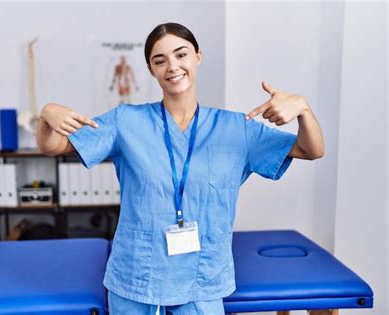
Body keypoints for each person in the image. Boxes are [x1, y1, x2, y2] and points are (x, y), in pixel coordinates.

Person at [37, 22, 324, 315]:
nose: (172, 66)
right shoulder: (126, 121)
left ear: (197, 56)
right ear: (151, 70)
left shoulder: (237, 129)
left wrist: (302, 109)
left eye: (181, 54)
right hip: (136, 276)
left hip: (203, 278)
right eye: (159, 60)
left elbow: (310, 150)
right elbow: (54, 146)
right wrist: (47, 115)